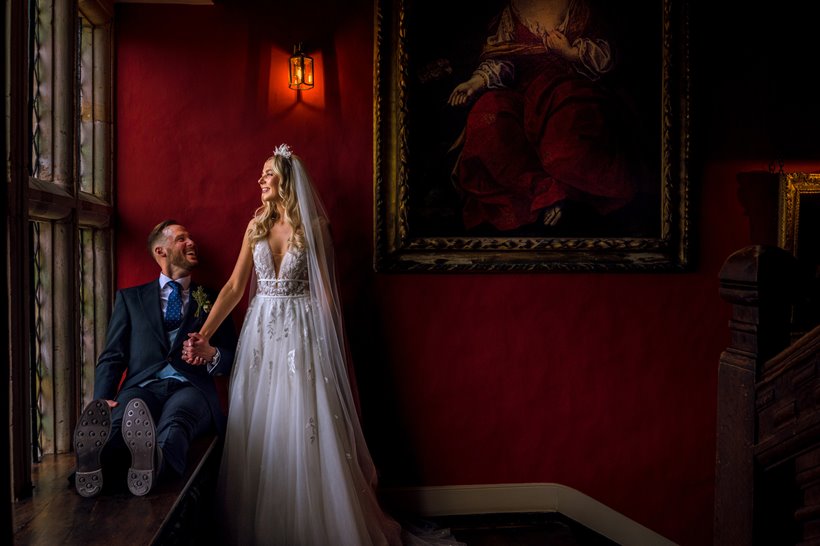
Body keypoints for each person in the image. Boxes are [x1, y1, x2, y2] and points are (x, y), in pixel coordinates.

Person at [183, 145, 463, 545]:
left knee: (304, 422)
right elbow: (233, 287)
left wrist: (328, 347)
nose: (260, 181)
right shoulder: (256, 225)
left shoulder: (313, 227)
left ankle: (316, 527)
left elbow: (326, 294)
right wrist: (205, 333)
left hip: (302, 331)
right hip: (261, 333)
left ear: (286, 178)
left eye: (267, 174)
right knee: (262, 423)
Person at [72, 220, 237, 497]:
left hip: (191, 387)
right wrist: (103, 396)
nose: (191, 243)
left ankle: (153, 465)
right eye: (182, 239)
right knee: (122, 418)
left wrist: (211, 354)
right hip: (141, 386)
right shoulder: (130, 299)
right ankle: (91, 465)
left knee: (176, 421)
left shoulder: (214, 298)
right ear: (161, 251)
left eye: (191, 237)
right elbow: (113, 355)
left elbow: (234, 356)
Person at [447, 0, 642, 233]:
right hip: (523, 96)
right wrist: (475, 82)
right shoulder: (512, 10)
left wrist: (570, 53)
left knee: (566, 137)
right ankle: (546, 194)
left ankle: (567, 193)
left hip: (567, 91)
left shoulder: (580, 8)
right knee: (489, 115)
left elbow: (607, 58)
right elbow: (502, 61)